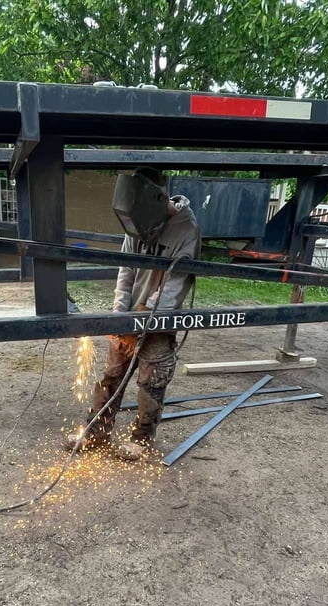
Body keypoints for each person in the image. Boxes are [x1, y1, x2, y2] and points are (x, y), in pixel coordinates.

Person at [67, 167, 201, 460]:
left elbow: (172, 286)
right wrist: (120, 318)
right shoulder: (135, 222)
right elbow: (125, 272)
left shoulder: (186, 229)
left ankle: (142, 439)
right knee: (111, 376)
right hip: (128, 316)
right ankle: (97, 431)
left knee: (150, 382)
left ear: (156, 200)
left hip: (159, 320)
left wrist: (138, 322)